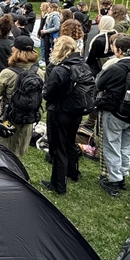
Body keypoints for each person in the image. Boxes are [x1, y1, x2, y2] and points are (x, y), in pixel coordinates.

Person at [95, 35, 130, 197]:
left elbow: (99, 83)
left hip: (115, 112)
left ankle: (113, 180)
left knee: (112, 145)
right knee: (127, 146)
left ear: (120, 51)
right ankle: (123, 175)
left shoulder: (117, 67)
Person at [41, 35, 89, 194]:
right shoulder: (83, 65)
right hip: (77, 111)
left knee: (58, 148)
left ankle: (58, 185)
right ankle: (73, 173)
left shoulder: (60, 69)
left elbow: (48, 93)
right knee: (70, 142)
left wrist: (45, 90)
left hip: (59, 112)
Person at [0, 35, 40, 159]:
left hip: (6, 118)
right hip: (27, 119)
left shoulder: (7, 73)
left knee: (1, 152)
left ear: (15, 51)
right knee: (17, 153)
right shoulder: (39, 72)